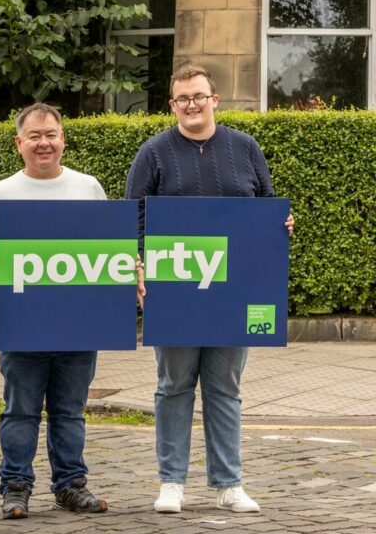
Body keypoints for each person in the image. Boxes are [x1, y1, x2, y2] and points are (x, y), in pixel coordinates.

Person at [126, 63, 294, 515]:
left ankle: (228, 483)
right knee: (173, 385)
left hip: (233, 291)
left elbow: (264, 207)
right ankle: (171, 482)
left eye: (200, 96)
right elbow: (133, 219)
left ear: (215, 100)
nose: (192, 105)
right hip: (174, 286)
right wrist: (138, 267)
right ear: (172, 105)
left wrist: (283, 225)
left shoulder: (245, 148)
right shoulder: (154, 153)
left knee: (224, 387)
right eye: (183, 99)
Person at [0, 102, 109, 520]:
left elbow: (108, 253)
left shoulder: (89, 188)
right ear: (19, 144)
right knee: (20, 409)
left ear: (63, 139)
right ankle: (15, 486)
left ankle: (70, 485)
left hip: (78, 322)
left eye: (51, 134)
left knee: (70, 411)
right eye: (34, 136)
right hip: (22, 321)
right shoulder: (1, 193)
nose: (43, 142)